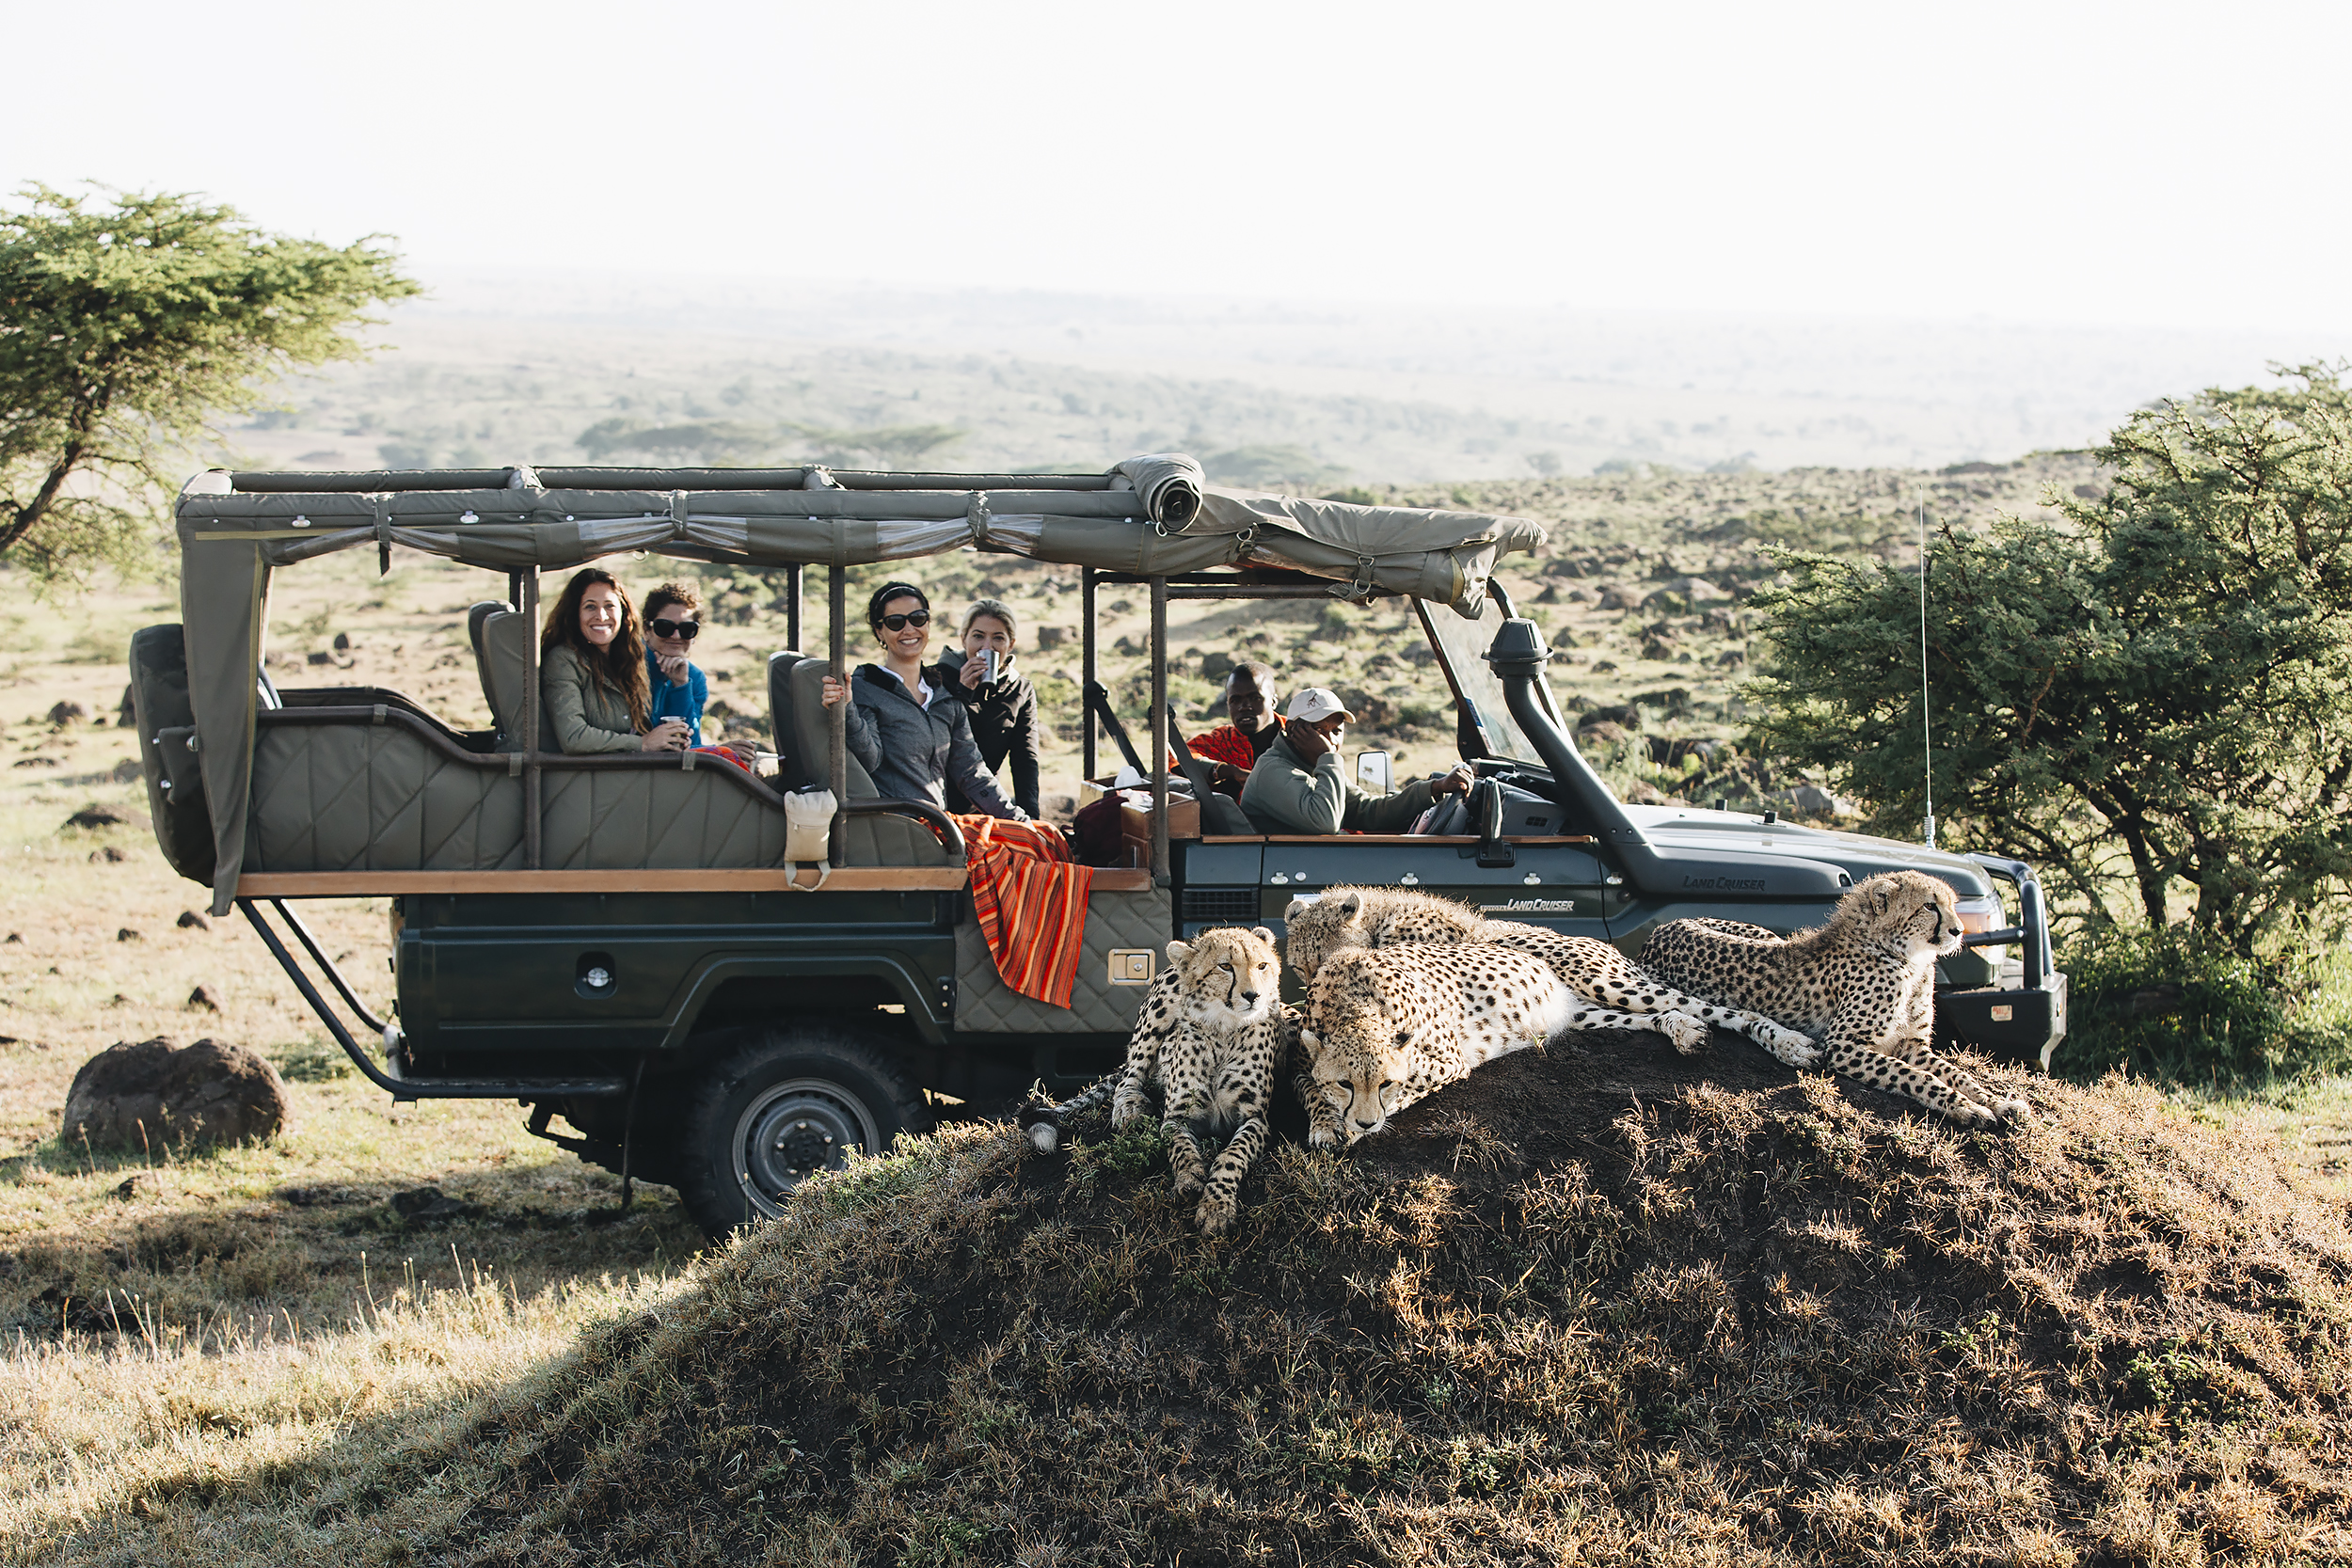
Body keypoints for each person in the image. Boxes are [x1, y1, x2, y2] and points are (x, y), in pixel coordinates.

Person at [818, 581, 1028, 821]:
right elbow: (870, 759)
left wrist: (1020, 820)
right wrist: (846, 709)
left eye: (917, 618)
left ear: (928, 624)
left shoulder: (944, 696)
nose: (909, 629)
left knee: (1045, 841)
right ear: (879, 632)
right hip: (896, 823)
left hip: (938, 824)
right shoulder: (867, 686)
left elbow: (972, 772)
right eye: (896, 622)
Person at [1240, 688, 1470, 834]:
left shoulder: (1311, 766)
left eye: (1337, 731)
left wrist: (1434, 788)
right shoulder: (1273, 769)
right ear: (1292, 729)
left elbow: (1367, 809)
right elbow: (1325, 823)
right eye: (1320, 730)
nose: (1331, 740)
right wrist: (1328, 758)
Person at [540, 567, 688, 754]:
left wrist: (668, 738)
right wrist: (642, 743)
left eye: (609, 605)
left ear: (623, 612)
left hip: (628, 771)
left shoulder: (631, 656)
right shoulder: (563, 660)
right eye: (590, 607)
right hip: (592, 777)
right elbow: (573, 737)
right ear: (575, 614)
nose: (601, 616)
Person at [929, 597, 1042, 819]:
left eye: (998, 638)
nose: (987, 647)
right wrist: (963, 691)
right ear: (963, 639)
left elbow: (1025, 760)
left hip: (984, 803)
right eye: (978, 636)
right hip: (935, 803)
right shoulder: (935, 678)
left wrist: (1032, 822)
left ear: (1011, 644)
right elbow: (935, 746)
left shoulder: (1020, 689)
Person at [1187, 660, 1281, 797]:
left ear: (1273, 701)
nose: (1244, 706)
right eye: (1235, 700)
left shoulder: (1297, 735)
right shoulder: (1224, 740)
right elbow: (1175, 757)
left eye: (1255, 698)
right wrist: (1224, 771)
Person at [642, 579, 710, 747]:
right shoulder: (628, 666)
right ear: (646, 630)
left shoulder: (694, 678)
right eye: (664, 627)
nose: (676, 636)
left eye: (687, 629)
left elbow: (689, 744)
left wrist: (681, 685)